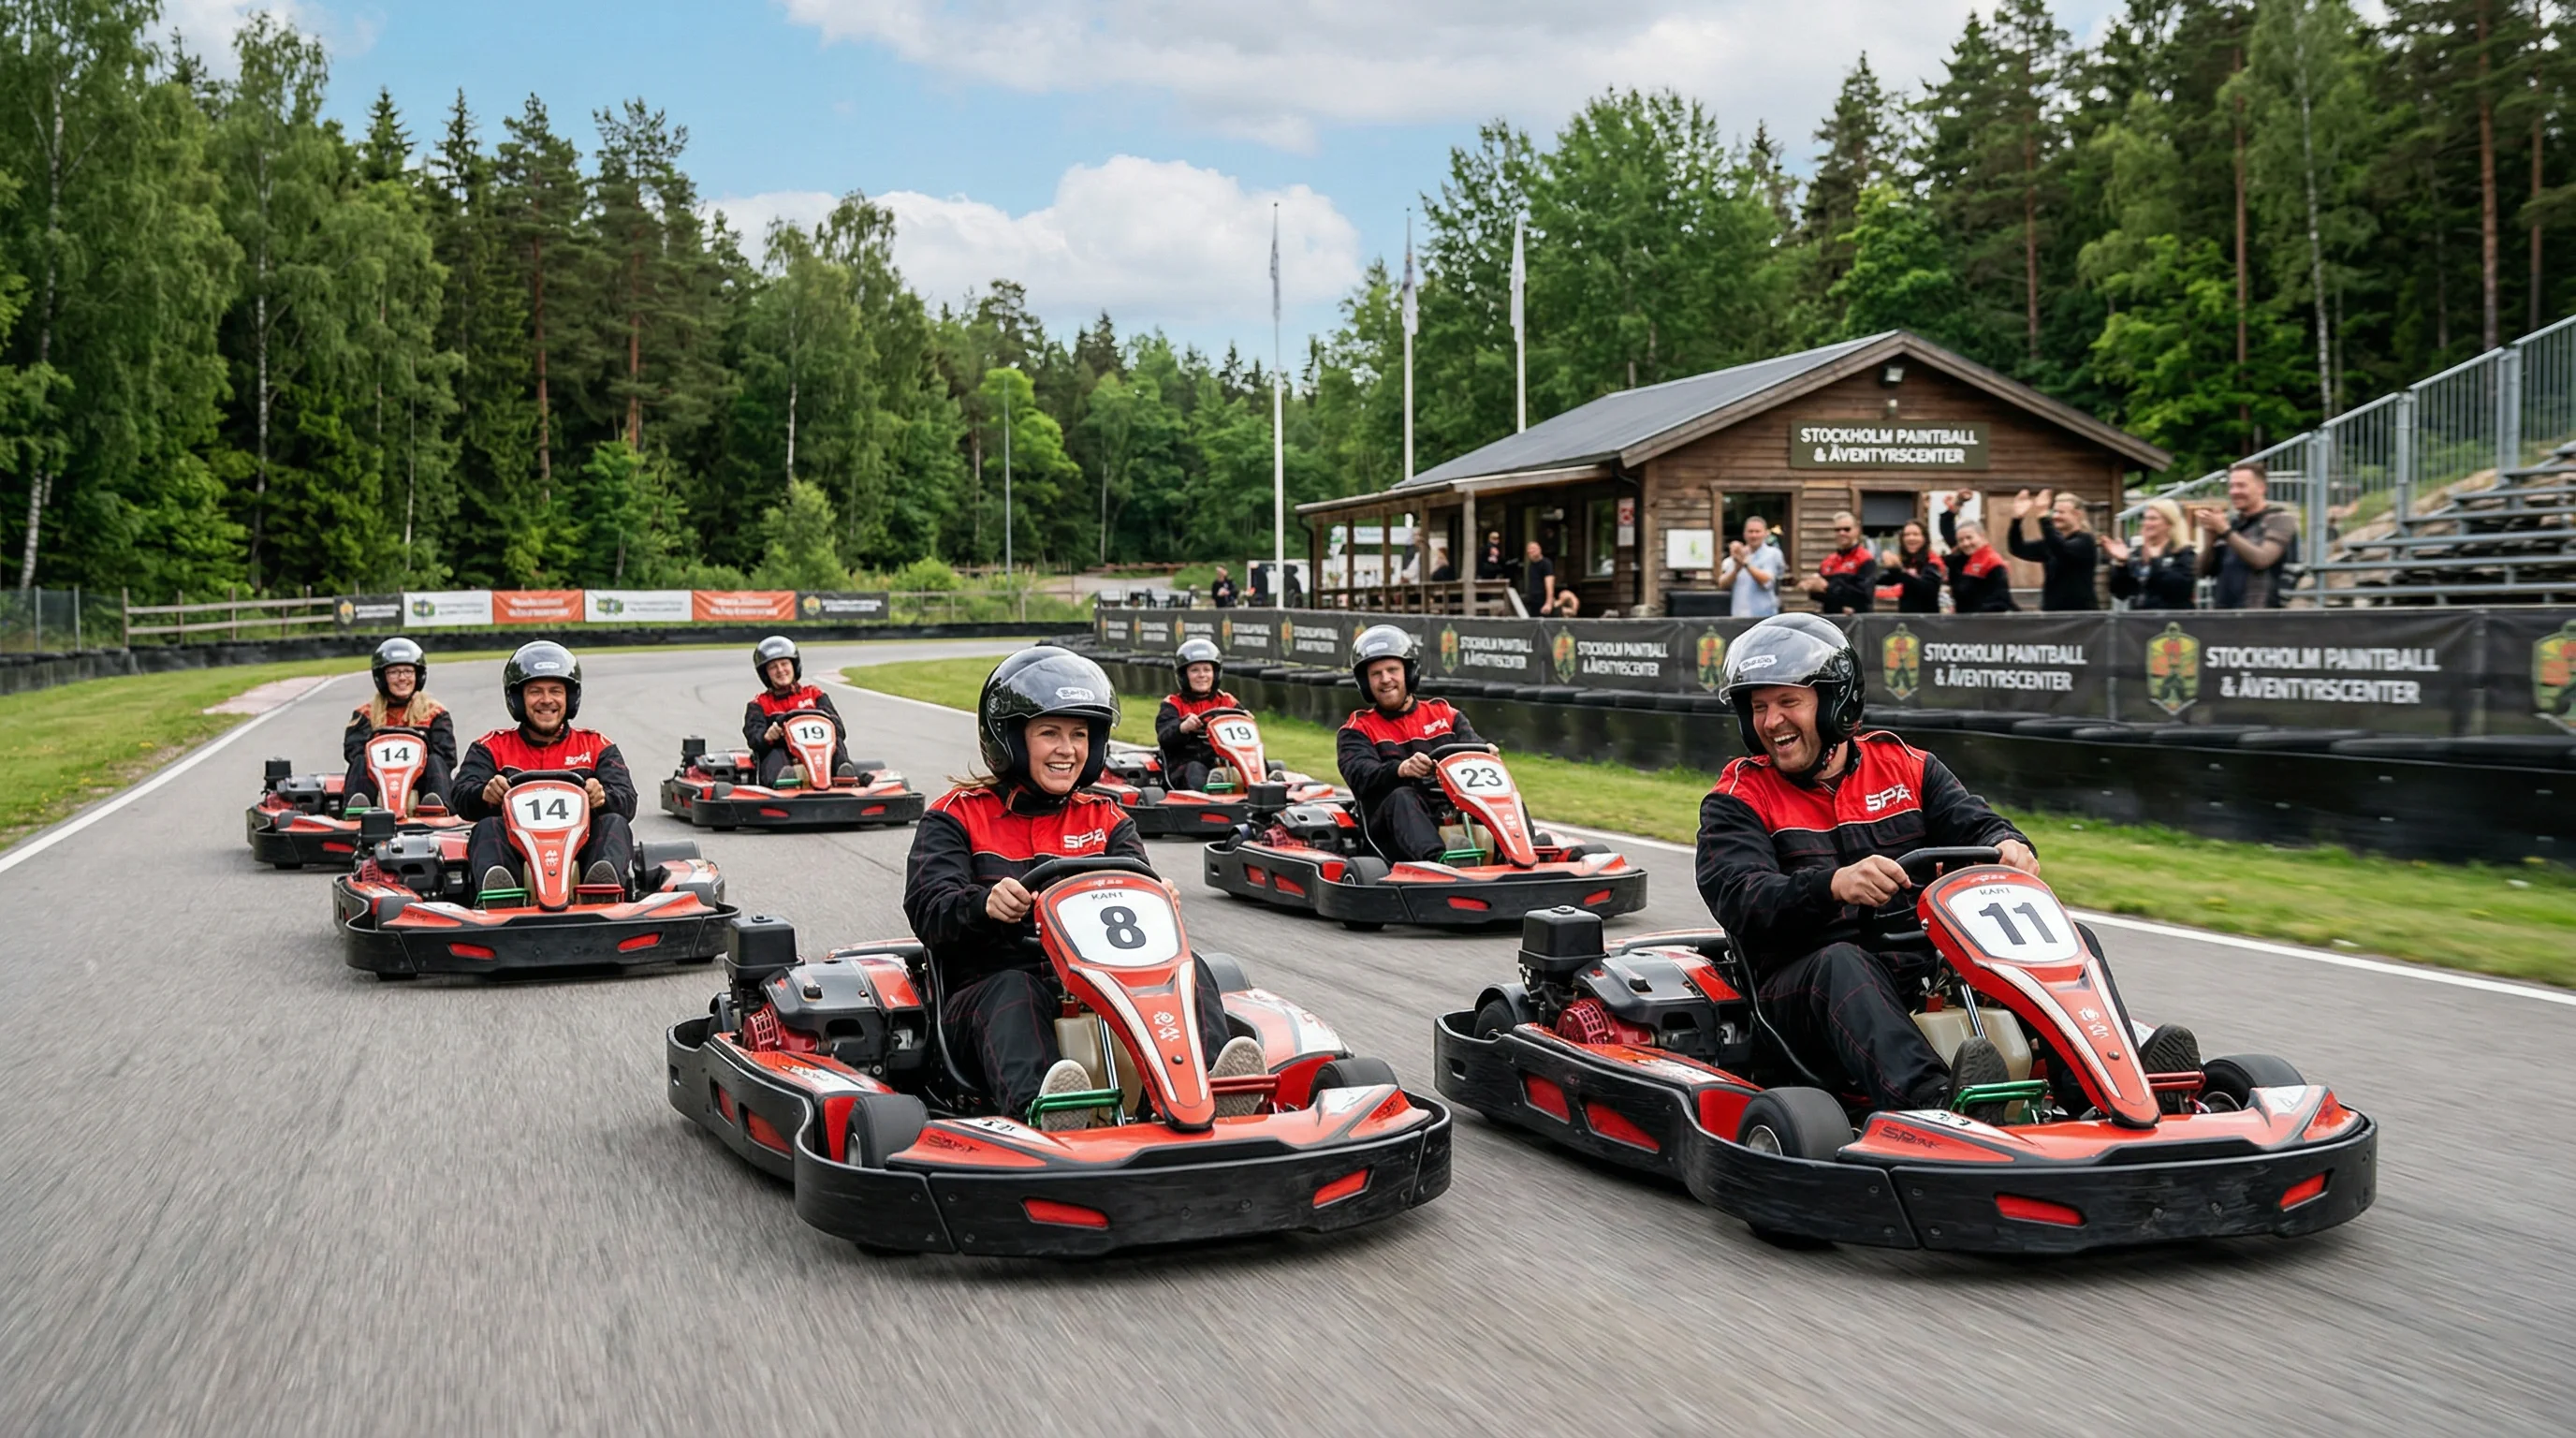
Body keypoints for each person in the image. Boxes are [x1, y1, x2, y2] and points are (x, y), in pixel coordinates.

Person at [1694, 615, 2199, 1118]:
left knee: (2072, 936)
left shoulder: (1908, 768)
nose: (1771, 722)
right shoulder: (1739, 799)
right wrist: (1834, 885)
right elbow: (1742, 897)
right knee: (1844, 961)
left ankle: (2104, 1094)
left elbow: (1978, 826)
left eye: (1788, 702)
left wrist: (2009, 845)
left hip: (1921, 967)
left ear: (1835, 704)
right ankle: (1940, 1106)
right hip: (1802, 992)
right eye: (1758, 707)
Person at [901, 646, 1265, 1130]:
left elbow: (1137, 903)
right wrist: (984, 905)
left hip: (1103, 986)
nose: (1067, 749)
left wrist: (1160, 902)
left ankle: (1214, 1091)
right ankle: (1048, 1114)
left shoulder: (1106, 817)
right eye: (1049, 733)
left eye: (1079, 735)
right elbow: (929, 907)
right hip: (992, 984)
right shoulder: (957, 815)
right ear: (1009, 738)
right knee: (1015, 991)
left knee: (1189, 969)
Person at [453, 641, 637, 899]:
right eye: (535, 691)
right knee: (486, 827)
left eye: (556, 691)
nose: (547, 700)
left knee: (614, 822)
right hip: (516, 854)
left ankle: (600, 893)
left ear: (570, 698)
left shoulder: (596, 746)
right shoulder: (491, 747)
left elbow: (628, 801)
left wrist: (603, 797)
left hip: (581, 852)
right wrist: (484, 793)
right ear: (517, 698)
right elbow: (460, 796)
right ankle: (502, 898)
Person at [1338, 624, 1487, 863]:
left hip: (1453, 812)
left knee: (1499, 791)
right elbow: (1360, 774)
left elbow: (1475, 750)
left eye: (1392, 670)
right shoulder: (1357, 729)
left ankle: (1527, 849)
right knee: (1402, 796)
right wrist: (1401, 769)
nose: (1385, 679)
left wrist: (1487, 754)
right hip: (1391, 831)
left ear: (1409, 673)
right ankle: (1442, 861)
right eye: (1376, 674)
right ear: (1365, 683)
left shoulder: (1445, 714)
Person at [343, 637, 455, 813]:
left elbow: (448, 758)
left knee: (436, 760)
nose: (402, 678)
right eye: (394, 672)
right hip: (378, 783)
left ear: (418, 675)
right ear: (382, 677)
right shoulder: (364, 715)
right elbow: (352, 753)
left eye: (408, 672)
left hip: (420, 782)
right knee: (359, 761)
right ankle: (357, 810)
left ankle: (438, 807)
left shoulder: (435, 713)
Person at [740, 636, 855, 786]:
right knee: (774, 752)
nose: (780, 670)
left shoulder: (814, 694)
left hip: (819, 756)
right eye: (773, 667)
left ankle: (843, 776)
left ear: (794, 666)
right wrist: (768, 736)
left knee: (836, 742)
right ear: (765, 673)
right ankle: (783, 782)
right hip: (784, 757)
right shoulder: (759, 704)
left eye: (784, 664)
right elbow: (754, 740)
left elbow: (839, 729)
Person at [2196, 461, 2300, 608]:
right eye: (2231, 486)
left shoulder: (2280, 519)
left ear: (2261, 488)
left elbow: (2262, 559)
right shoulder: (2232, 524)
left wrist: (2225, 531)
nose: (2234, 492)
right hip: (2223, 613)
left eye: (2241, 485)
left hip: (2262, 614)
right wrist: (2209, 538)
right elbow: (2201, 571)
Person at [1154, 638, 1240, 792]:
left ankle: (1268, 783)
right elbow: (1164, 736)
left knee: (1253, 760)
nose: (1202, 675)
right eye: (1195, 670)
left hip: (1222, 760)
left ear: (1215, 674)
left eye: (1207, 670)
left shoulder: (1227, 701)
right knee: (1195, 769)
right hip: (1185, 762)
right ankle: (1212, 791)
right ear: (1184, 675)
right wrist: (1182, 728)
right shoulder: (1173, 703)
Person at [2006, 489, 2101, 610]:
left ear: (2077, 514)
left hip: (2080, 616)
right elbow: (2017, 548)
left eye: (2061, 512)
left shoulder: (2085, 541)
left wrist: (2043, 517)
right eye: (2054, 512)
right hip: (2052, 614)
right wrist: (2017, 520)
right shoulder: (2052, 544)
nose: (2055, 516)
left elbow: (2061, 550)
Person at [2105, 497, 2199, 610]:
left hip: (2172, 621)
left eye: (2153, 519)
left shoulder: (2184, 552)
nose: (2146, 523)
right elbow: (2120, 592)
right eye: (2145, 519)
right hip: (2140, 620)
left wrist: (2155, 560)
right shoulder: (2137, 551)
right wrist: (2122, 564)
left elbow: (2179, 590)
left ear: (2169, 523)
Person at [1937, 492, 2017, 612]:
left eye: (1969, 538)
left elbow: (2001, 600)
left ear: (1982, 537)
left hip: (1983, 623)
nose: (1965, 543)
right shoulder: (1961, 557)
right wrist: (1954, 507)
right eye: (1961, 540)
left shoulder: (1993, 563)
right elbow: (1947, 530)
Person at [1797, 510, 1878, 614]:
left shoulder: (1865, 558)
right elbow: (1821, 596)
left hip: (1857, 621)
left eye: (1846, 529)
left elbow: (1865, 596)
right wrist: (1812, 586)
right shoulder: (1828, 561)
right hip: (1831, 619)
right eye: (1837, 530)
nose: (1841, 533)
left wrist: (1828, 587)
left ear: (1857, 530)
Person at [1718, 515, 1784, 619]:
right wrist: (1736, 570)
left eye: (1757, 532)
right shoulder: (1738, 555)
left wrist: (1746, 565)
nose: (1754, 535)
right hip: (1739, 616)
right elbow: (1722, 584)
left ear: (1766, 533)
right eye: (1750, 531)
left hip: (1765, 617)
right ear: (1744, 534)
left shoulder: (1773, 554)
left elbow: (1766, 582)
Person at [1874, 520, 1944, 614]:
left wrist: (1899, 570)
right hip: (1906, 619)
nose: (1911, 538)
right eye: (1906, 535)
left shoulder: (1933, 561)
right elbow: (1886, 580)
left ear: (1925, 538)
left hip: (1928, 621)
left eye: (1916, 534)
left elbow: (1927, 589)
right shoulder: (1907, 561)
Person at [1521, 539, 1578, 617]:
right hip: (1533, 601)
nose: (1531, 552)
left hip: (1543, 600)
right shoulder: (1531, 565)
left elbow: (1549, 583)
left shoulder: (1546, 564)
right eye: (1529, 551)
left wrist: (1548, 603)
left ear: (1539, 550)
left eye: (1533, 549)